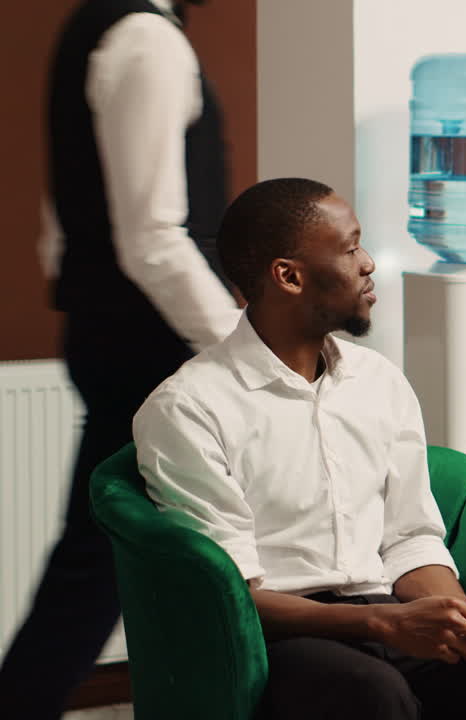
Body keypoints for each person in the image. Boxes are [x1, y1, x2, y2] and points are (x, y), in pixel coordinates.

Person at [132, 178, 466, 720]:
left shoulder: (377, 381)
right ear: (288, 276)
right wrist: (382, 624)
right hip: (280, 642)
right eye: (349, 248)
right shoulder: (189, 408)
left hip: (390, 620)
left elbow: (409, 539)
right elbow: (228, 594)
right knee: (372, 694)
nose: (368, 264)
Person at [0, 1, 240, 715]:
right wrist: (240, 348)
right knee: (103, 559)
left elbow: (60, 224)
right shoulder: (147, 39)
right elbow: (155, 236)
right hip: (150, 347)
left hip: (113, 334)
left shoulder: (93, 29)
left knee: (132, 556)